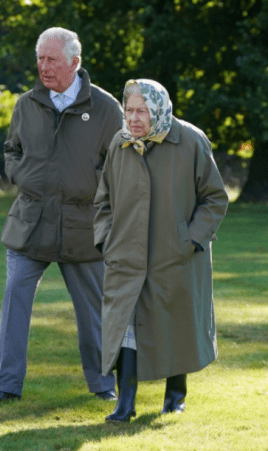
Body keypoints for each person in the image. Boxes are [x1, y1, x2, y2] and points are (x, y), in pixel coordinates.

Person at [0, 27, 123, 406]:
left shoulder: (106, 108)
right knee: (14, 304)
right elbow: (12, 149)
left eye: (51, 59)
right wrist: (20, 175)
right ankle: (6, 386)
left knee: (93, 315)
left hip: (82, 227)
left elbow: (120, 166)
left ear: (75, 62)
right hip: (30, 223)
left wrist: (94, 189)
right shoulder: (26, 103)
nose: (43, 67)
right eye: (39, 58)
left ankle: (103, 385)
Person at [93, 79, 228, 422]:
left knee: (175, 323)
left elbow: (215, 198)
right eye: (129, 110)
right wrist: (106, 239)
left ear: (158, 109)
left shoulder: (191, 140)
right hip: (125, 255)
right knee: (124, 324)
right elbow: (103, 199)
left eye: (141, 111)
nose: (134, 118)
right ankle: (125, 403)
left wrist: (191, 240)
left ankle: (175, 395)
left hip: (175, 255)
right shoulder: (120, 142)